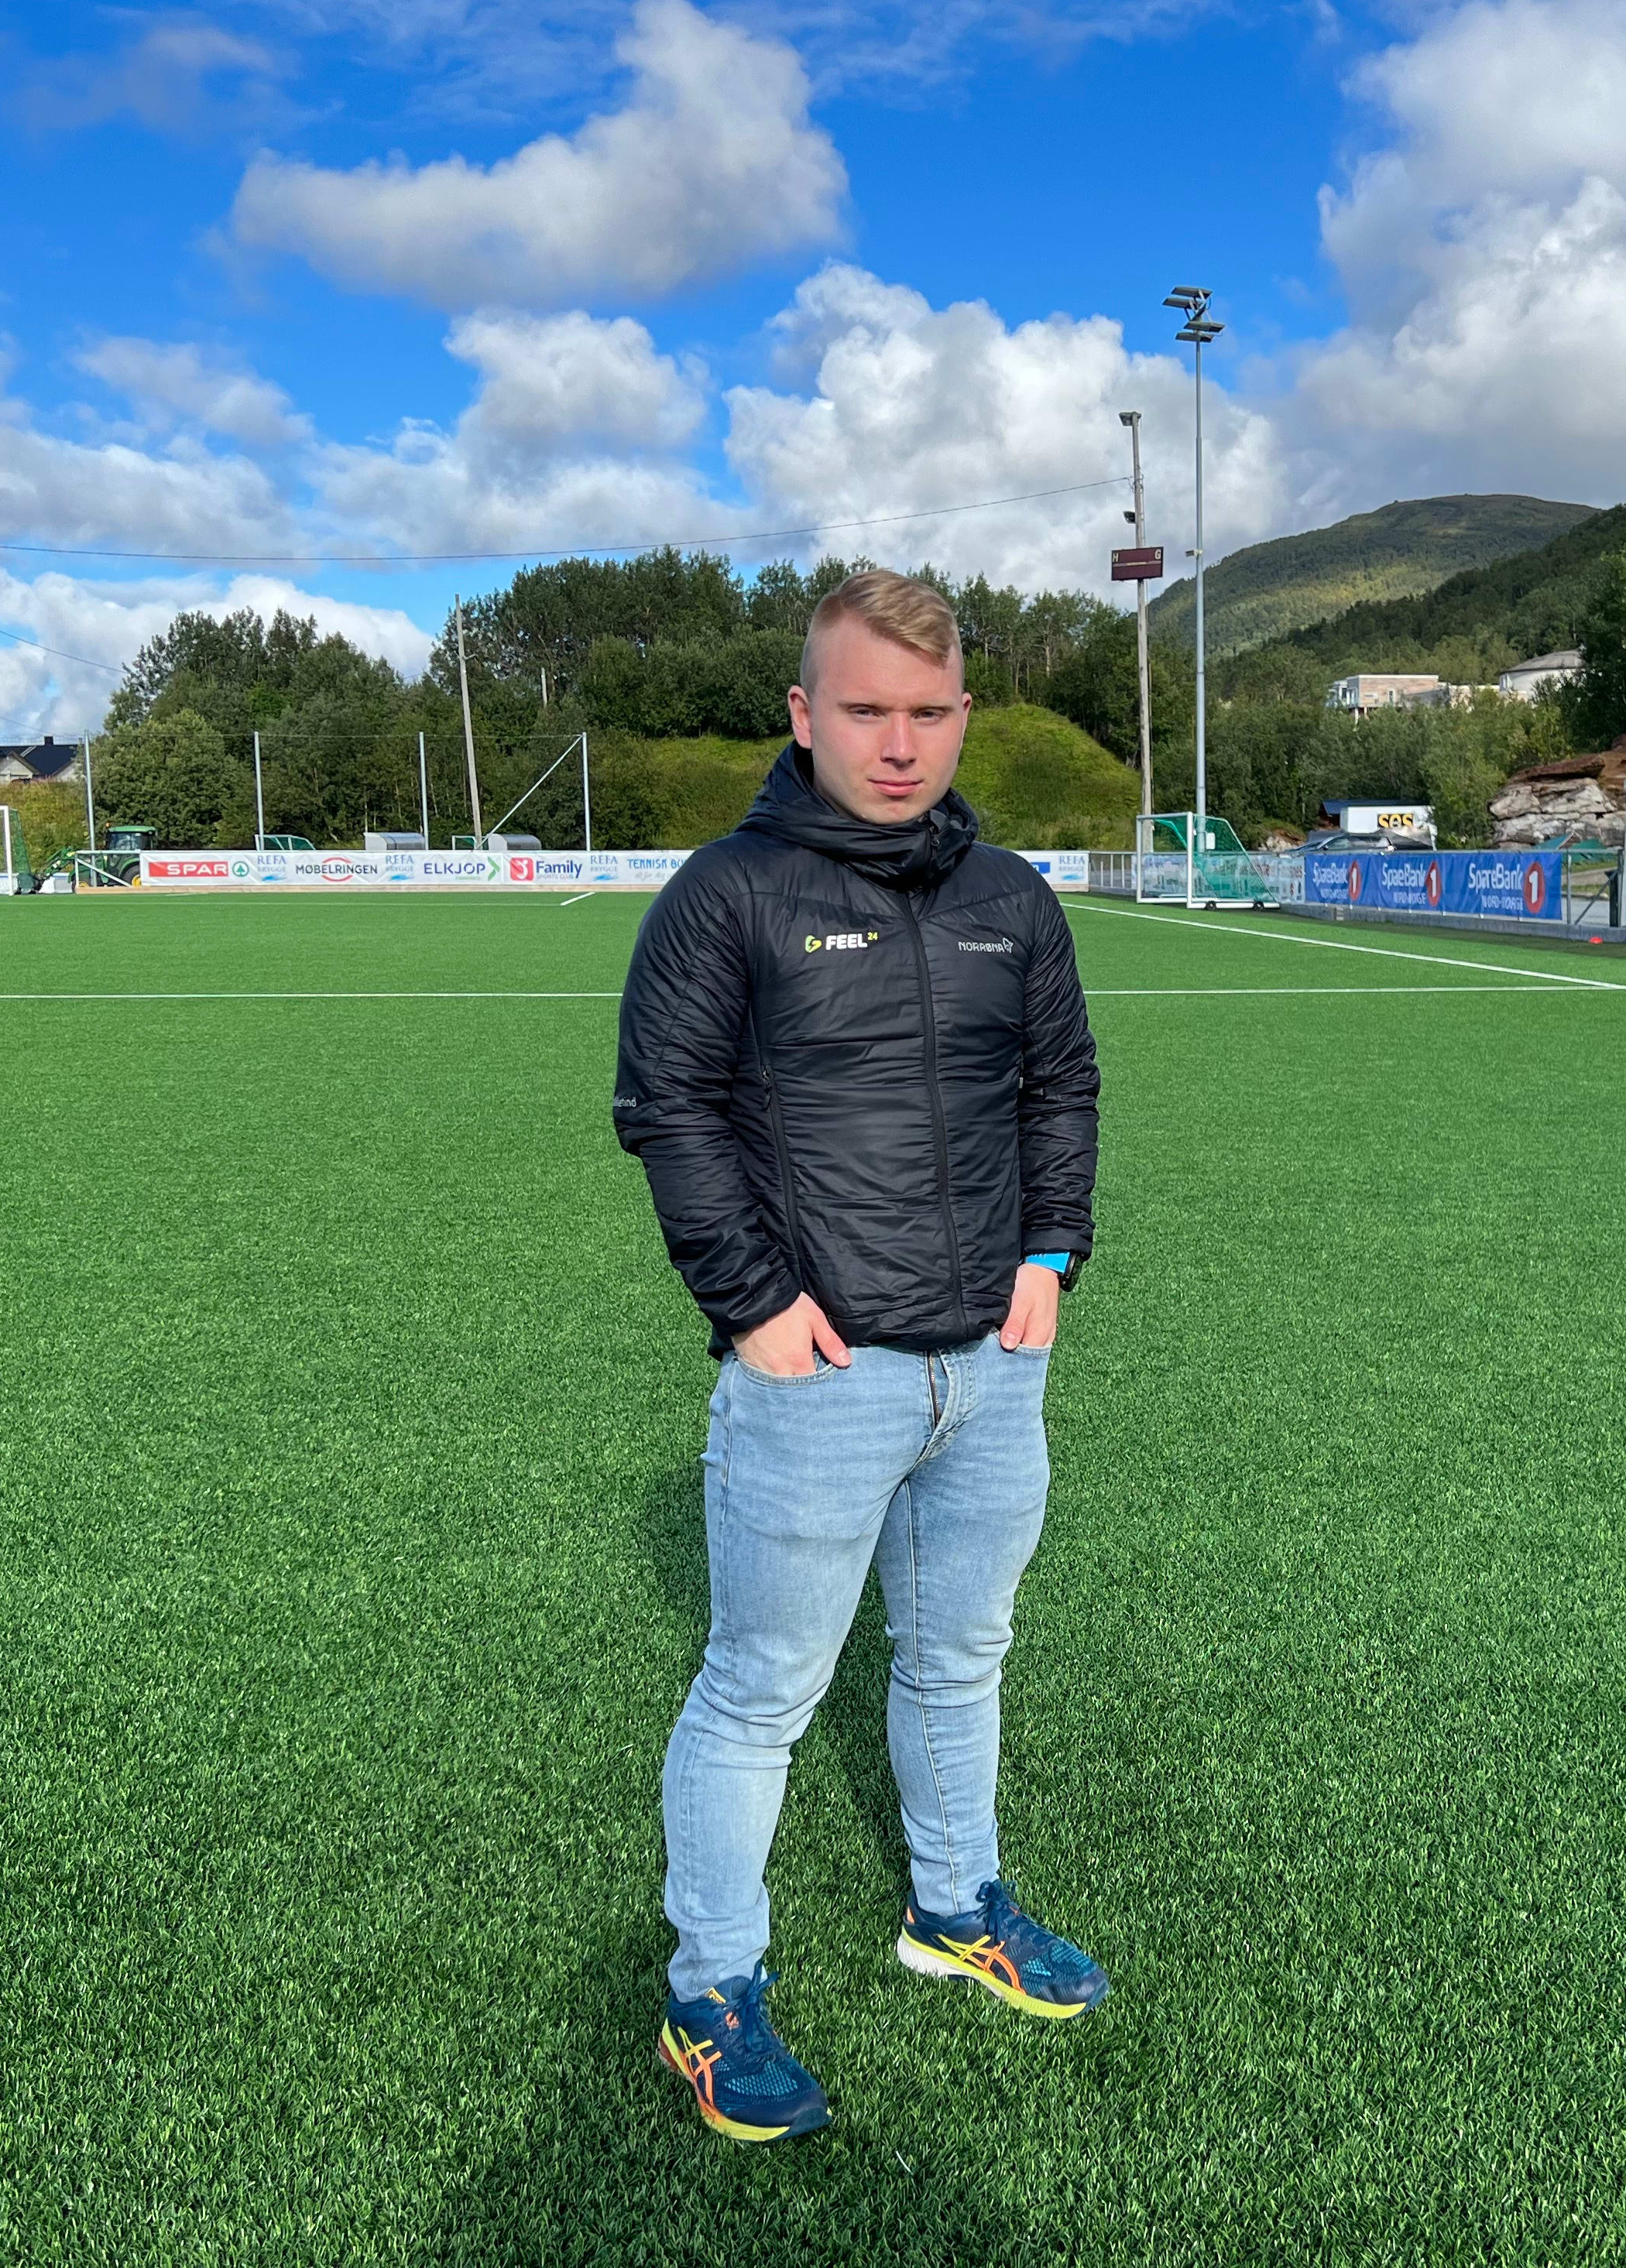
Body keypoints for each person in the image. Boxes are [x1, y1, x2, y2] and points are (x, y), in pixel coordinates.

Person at [612, 568, 1110, 2143]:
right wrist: (754, 1303)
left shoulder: (1013, 900)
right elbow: (668, 1109)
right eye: (866, 711)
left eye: (928, 713)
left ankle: (955, 1908)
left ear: (963, 715)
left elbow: (1062, 1087)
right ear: (804, 713)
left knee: (960, 1657)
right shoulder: (726, 896)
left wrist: (1052, 1255)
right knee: (761, 1690)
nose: (899, 746)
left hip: (994, 1370)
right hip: (819, 1378)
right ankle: (711, 1992)